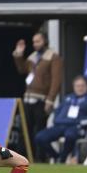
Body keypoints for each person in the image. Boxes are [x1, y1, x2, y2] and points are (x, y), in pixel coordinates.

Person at [12, 32, 63, 161]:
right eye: (34, 42)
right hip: (28, 97)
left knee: (39, 131)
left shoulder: (53, 57)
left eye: (38, 41)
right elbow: (22, 69)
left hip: (42, 99)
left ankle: (41, 159)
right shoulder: (33, 56)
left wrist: (50, 100)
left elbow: (56, 80)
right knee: (25, 130)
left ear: (45, 41)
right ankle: (23, 159)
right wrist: (18, 54)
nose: (35, 44)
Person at [35, 75, 87, 163]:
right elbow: (57, 112)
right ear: (74, 87)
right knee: (40, 137)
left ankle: (62, 158)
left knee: (70, 135)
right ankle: (56, 156)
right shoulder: (68, 98)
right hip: (60, 125)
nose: (80, 88)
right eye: (77, 86)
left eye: (82, 86)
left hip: (76, 127)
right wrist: (57, 119)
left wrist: (78, 122)